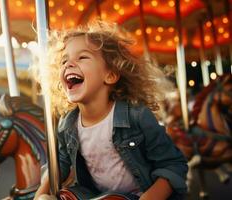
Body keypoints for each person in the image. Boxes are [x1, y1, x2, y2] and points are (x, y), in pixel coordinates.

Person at [34, 21, 188, 200]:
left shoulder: (136, 116)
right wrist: (40, 194)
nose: (68, 64)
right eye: (64, 60)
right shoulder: (67, 124)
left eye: (82, 57)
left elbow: (172, 164)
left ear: (111, 75)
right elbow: (59, 163)